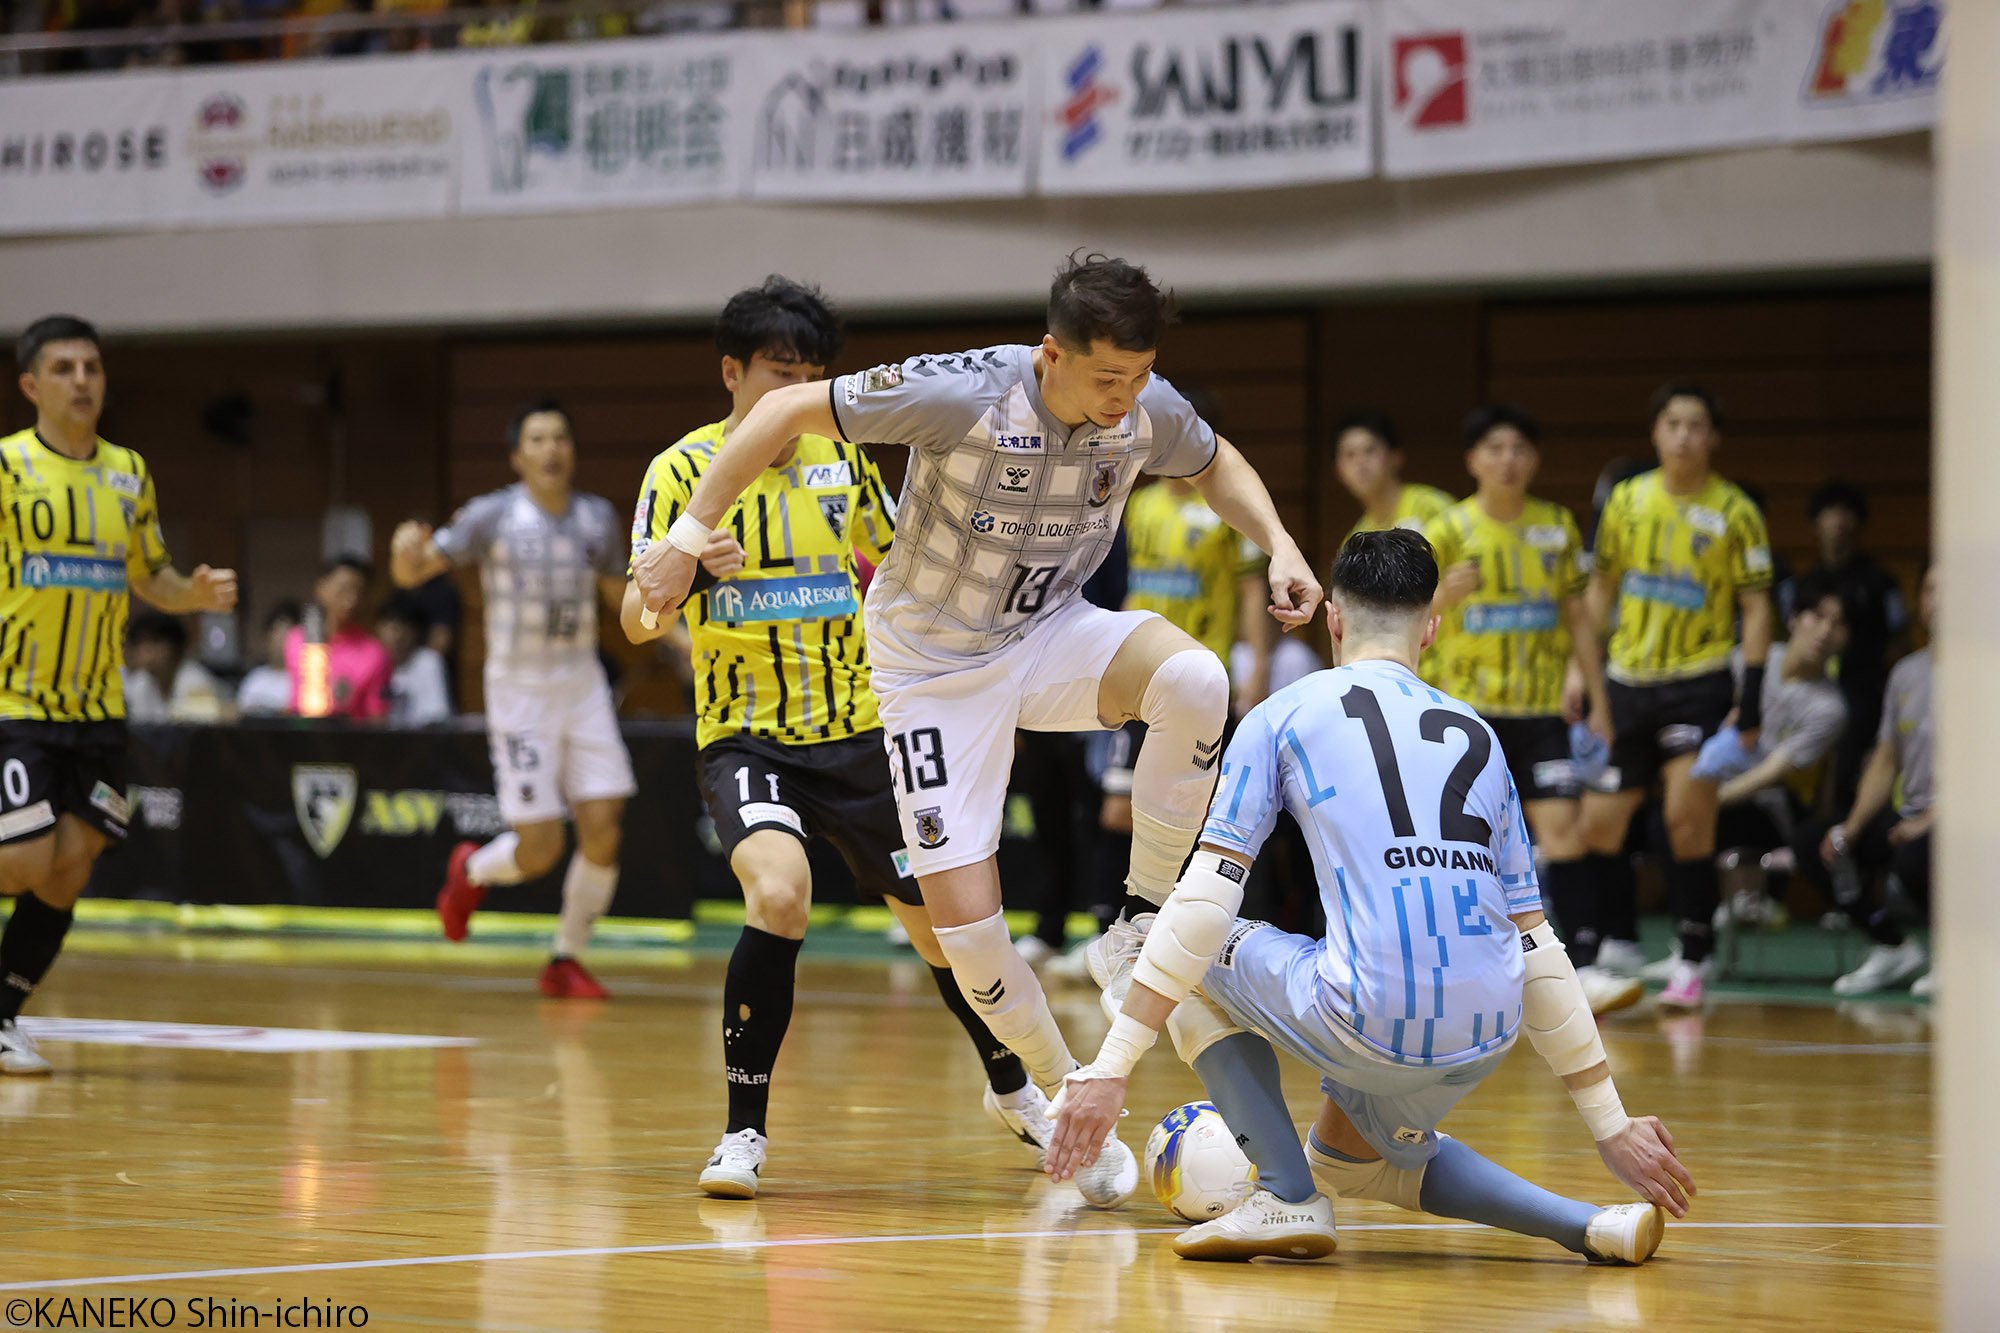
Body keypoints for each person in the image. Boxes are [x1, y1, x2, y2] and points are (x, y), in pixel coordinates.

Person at [633, 253, 1321, 1208]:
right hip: (931, 675)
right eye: (1108, 378)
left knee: (1196, 676)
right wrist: (683, 536)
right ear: (1051, 355)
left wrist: (1281, 543)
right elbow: (788, 412)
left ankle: (1137, 917)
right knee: (969, 941)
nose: (1129, 399)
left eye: (1140, 376)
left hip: (1048, 636)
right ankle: (1062, 1087)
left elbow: (1214, 460)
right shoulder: (960, 390)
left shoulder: (1146, 402)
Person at [1046, 530, 1691, 1263]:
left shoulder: (1281, 714)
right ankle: (1590, 1224)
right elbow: (1537, 945)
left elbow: (1203, 903)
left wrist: (1111, 1068)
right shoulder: (1480, 737)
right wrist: (1610, 1124)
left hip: (1368, 1016)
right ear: (1433, 627)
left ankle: (1286, 1196)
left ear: (1334, 621)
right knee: (1357, 1161)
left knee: (1149, 936)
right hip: (1484, 1034)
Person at [623, 275, 1045, 1199]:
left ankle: (1011, 1084)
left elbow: (899, 570)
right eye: (780, 374)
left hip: (860, 734)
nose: (796, 394)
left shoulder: (840, 460)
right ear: (732, 373)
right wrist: (688, 570)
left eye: (811, 376)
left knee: (946, 934)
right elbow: (634, 618)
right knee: (780, 894)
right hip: (746, 737)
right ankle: (742, 1134)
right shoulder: (681, 472)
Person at [0, 314, 238, 1075]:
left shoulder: (129, 471)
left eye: (92, 367)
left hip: (100, 709)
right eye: (65, 368)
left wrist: (192, 594)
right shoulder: (5, 469)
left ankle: (1, 1014)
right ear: (32, 385)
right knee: (24, 857)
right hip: (19, 704)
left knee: (74, 861)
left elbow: (149, 575)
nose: (82, 381)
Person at [392, 400, 635, 1000]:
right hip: (519, 692)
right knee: (542, 848)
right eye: (537, 439)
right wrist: (404, 552)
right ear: (517, 456)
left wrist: (679, 636)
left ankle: (564, 960)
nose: (551, 449)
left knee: (604, 825)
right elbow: (413, 572)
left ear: (573, 451)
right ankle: (470, 870)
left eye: (560, 438)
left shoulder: (598, 518)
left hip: (581, 683)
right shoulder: (492, 516)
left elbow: (618, 595)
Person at [1422, 406, 1633, 1015]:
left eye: (1520, 448)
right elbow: (1402, 616)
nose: (1508, 460)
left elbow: (1579, 621)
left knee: (1563, 832)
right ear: (1472, 460)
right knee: (1461, 846)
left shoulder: (1558, 527)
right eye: (1495, 448)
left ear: (1534, 459)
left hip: (1541, 712)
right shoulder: (1447, 528)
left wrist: (1596, 700)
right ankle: (1460, 970)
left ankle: (1584, 969)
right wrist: (1441, 594)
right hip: (1467, 717)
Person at [1579, 384, 1773, 1010]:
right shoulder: (1628, 502)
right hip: (1627, 681)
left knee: (1687, 820)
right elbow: (1600, 592)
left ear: (1713, 437)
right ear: (1655, 432)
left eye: (1696, 424)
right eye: (1672, 423)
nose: (1684, 435)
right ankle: (1615, 946)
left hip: (1700, 682)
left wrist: (1754, 696)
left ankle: (1694, 957)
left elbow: (1757, 605)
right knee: (1600, 824)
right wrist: (1581, 675)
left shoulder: (1736, 511)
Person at [1798, 564, 1935, 997]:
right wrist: (1852, 827)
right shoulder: (1906, 673)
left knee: (1917, 856)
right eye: (1930, 588)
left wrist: (1931, 819)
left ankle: (1959, 957)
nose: (1940, 599)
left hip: (1961, 819)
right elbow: (1885, 758)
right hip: (1909, 813)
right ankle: (1892, 945)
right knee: (1818, 843)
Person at [1692, 573, 1850, 927]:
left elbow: (1771, 773)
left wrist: (1705, 800)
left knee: (1723, 818)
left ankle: (1734, 905)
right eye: (1817, 616)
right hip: (1709, 783)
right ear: (1794, 617)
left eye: (1838, 624)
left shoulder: (1830, 707)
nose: (1825, 631)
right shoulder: (1748, 662)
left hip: (1767, 808)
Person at [1783, 481, 1907, 809]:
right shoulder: (1803, 584)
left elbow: (1899, 639)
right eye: (1830, 512)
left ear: (1858, 523)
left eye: (1846, 513)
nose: (1838, 521)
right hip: (1809, 686)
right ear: (1816, 523)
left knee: (1849, 765)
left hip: (1863, 689)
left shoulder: (1881, 582)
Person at [286, 555, 393, 720]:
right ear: (321, 588)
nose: (352, 600)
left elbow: (378, 718)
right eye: (343, 590)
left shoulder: (374, 652)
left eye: (359, 591)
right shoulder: (297, 639)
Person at [1333, 410, 1455, 546]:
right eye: (1350, 455)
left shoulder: (1432, 506)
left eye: (1369, 450)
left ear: (1395, 456)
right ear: (1338, 469)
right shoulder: (1356, 541)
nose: (1360, 462)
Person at [122, 611, 223, 722]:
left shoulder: (195, 682)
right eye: (140, 643)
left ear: (176, 647)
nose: (146, 651)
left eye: (155, 642)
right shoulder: (141, 683)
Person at [379, 596, 453, 726]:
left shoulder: (428, 661)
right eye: (388, 628)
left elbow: (436, 716)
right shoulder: (374, 661)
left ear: (415, 632)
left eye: (399, 629)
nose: (394, 637)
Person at [236, 600, 301, 716]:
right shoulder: (254, 679)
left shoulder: (302, 681)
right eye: (276, 632)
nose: (281, 641)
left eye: (287, 633)